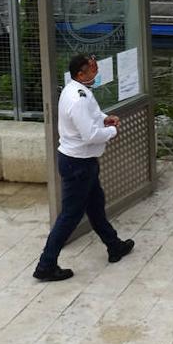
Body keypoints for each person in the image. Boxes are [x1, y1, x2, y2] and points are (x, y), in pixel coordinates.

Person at [33, 53, 135, 282]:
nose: (96, 71)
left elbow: (91, 116)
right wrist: (112, 131)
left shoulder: (74, 89)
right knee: (70, 215)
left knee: (96, 205)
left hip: (82, 162)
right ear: (81, 73)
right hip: (78, 164)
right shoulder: (78, 97)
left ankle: (114, 245)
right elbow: (89, 135)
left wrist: (105, 119)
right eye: (92, 68)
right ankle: (46, 264)